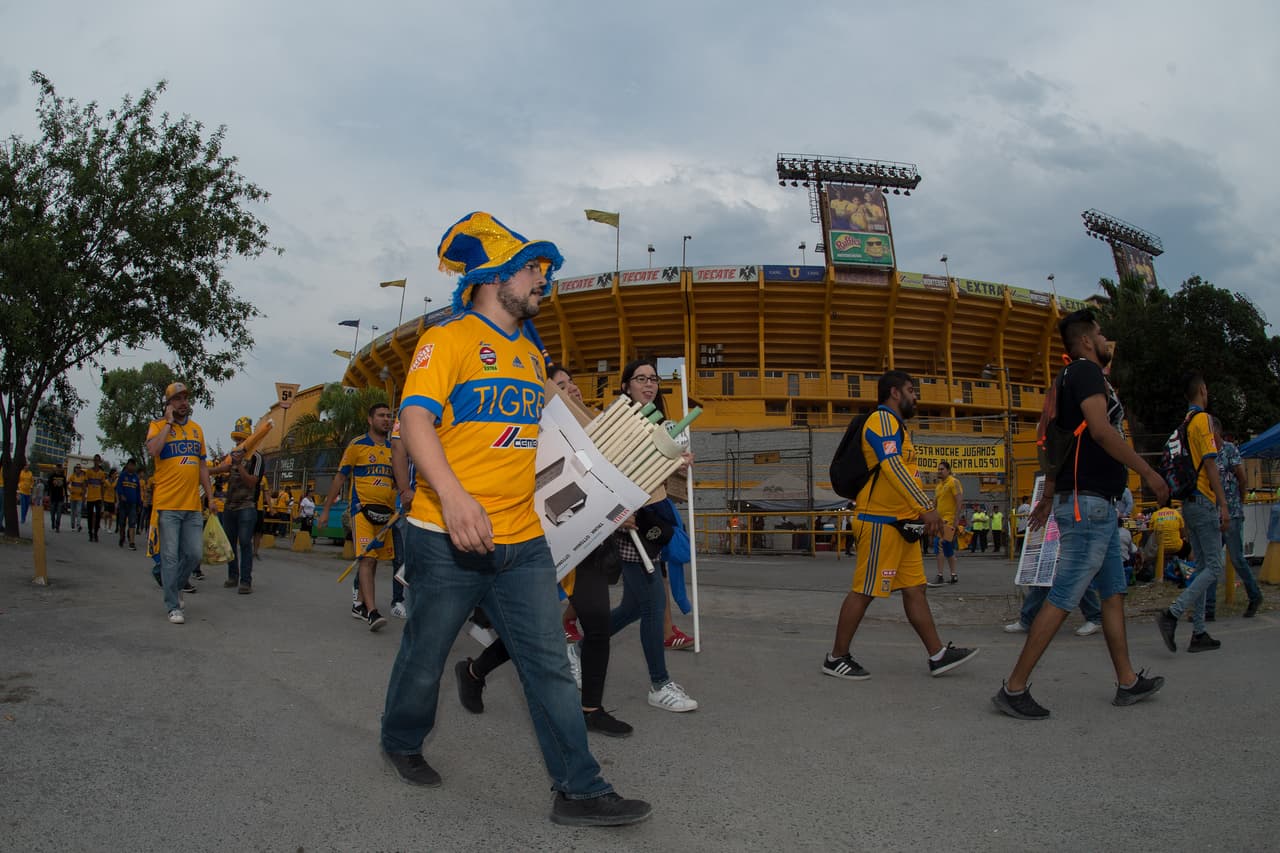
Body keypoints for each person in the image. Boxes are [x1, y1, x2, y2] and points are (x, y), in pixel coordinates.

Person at [379, 212, 650, 826]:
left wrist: (625, 481)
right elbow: (416, 421)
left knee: (549, 661)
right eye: (534, 268)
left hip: (521, 539)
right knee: (425, 654)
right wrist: (450, 495)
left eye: (546, 270)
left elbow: (567, 434)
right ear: (490, 274)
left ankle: (579, 790)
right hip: (443, 537)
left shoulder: (531, 351)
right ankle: (400, 739)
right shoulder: (444, 341)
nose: (544, 280)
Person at [993, 308, 1168, 719]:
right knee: (1065, 593)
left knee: (1112, 593)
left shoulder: (1073, 377)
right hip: (1089, 506)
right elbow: (1101, 431)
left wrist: (1050, 494)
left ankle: (1127, 680)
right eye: (1102, 333)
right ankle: (1014, 688)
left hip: (1094, 503)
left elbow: (1063, 444)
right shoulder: (1086, 372)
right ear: (1088, 340)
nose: (1108, 340)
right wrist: (1148, 472)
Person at [823, 370, 979, 681]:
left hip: (901, 524)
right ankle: (836, 657)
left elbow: (903, 473)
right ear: (895, 393)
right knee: (865, 591)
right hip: (878, 522)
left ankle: (937, 654)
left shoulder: (899, 427)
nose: (915, 396)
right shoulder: (881, 421)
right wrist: (926, 509)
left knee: (915, 589)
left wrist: (917, 512)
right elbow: (892, 467)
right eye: (911, 390)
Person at [607, 358, 699, 711]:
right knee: (653, 603)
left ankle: (581, 648)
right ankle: (659, 684)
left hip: (652, 520)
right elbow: (605, 464)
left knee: (634, 605)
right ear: (626, 385)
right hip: (629, 522)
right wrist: (617, 511)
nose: (648, 384)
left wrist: (679, 462)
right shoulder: (620, 420)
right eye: (640, 378)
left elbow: (659, 475)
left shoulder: (657, 424)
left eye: (653, 379)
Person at [1156, 372, 1232, 653]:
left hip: (1188, 503)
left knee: (1201, 567)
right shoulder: (1204, 421)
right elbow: (1211, 465)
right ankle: (1172, 614)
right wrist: (1223, 505)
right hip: (1203, 499)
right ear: (1202, 390)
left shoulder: (1184, 425)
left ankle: (1198, 633)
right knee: (1214, 566)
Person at [321, 402, 399, 631]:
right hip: (361, 511)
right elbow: (340, 478)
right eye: (381, 416)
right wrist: (325, 510)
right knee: (367, 559)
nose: (386, 419)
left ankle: (359, 603)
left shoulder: (394, 448)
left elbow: (397, 480)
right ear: (370, 419)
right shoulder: (357, 445)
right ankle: (372, 612)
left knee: (373, 561)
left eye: (389, 416)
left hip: (386, 516)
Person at [144, 382, 213, 625]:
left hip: (192, 505)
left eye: (185, 398)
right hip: (167, 505)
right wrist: (168, 423)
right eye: (177, 399)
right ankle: (173, 605)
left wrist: (211, 497)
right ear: (169, 404)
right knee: (170, 557)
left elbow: (203, 465)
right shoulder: (157, 426)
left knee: (194, 555)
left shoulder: (197, 430)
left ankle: (169, 580)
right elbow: (153, 450)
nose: (183, 402)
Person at [1206, 417, 1262, 618]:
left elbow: (1242, 477)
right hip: (1213, 512)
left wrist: (1240, 500)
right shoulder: (1207, 453)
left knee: (1237, 558)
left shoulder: (1229, 450)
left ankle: (1255, 595)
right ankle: (1209, 608)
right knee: (1212, 560)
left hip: (1232, 511)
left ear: (1217, 431)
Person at [220, 418, 265, 593]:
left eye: (242, 439)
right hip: (229, 506)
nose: (239, 443)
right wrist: (202, 469)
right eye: (237, 440)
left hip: (247, 506)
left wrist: (239, 465)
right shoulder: (231, 455)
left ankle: (245, 581)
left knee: (245, 542)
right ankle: (233, 576)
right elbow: (222, 470)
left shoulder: (257, 457)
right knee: (230, 544)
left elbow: (252, 482)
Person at [932, 461, 963, 585]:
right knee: (947, 547)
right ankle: (953, 575)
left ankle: (940, 576)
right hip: (940, 521)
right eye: (938, 469)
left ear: (949, 470)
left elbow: (959, 501)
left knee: (938, 544)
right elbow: (935, 504)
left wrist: (956, 520)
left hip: (949, 520)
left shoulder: (953, 482)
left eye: (942, 469)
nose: (939, 471)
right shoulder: (938, 486)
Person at [115, 459, 142, 550]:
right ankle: (122, 537)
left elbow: (138, 492)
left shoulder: (136, 478)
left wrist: (139, 504)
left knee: (132, 522)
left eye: (133, 465)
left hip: (133, 504)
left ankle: (132, 542)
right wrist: (121, 495)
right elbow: (119, 487)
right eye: (130, 465)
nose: (131, 467)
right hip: (123, 504)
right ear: (127, 466)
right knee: (122, 522)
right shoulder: (122, 476)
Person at [84, 455, 107, 542]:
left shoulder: (101, 473)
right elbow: (85, 483)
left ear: (100, 461)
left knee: (98, 516)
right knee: (90, 516)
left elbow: (102, 486)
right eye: (95, 460)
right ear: (93, 461)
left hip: (98, 497)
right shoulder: (89, 471)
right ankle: (90, 532)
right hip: (90, 497)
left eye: (98, 460)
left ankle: (96, 533)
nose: (96, 462)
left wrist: (102, 498)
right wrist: (84, 495)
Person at [47, 467, 66, 532]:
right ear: (55, 469)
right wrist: (49, 494)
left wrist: (66, 496)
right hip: (53, 497)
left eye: (60, 469)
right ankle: (53, 522)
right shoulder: (52, 476)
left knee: (59, 513)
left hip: (60, 497)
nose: (58, 470)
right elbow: (48, 485)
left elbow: (65, 486)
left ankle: (57, 526)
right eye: (57, 469)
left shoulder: (63, 477)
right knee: (52, 512)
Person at [67, 464, 86, 532]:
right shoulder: (72, 476)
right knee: (72, 512)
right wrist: (70, 490)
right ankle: (72, 525)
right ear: (75, 469)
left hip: (79, 497)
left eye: (79, 468)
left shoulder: (82, 477)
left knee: (79, 511)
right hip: (73, 496)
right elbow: (67, 483)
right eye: (77, 468)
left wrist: (83, 493)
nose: (78, 469)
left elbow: (84, 487)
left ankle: (78, 525)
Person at [102, 467, 117, 534]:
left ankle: (109, 527)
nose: (115, 475)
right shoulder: (106, 481)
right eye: (114, 474)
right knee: (106, 513)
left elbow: (116, 491)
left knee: (111, 515)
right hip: (106, 498)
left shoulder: (116, 482)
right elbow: (103, 489)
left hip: (112, 499)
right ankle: (105, 524)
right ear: (111, 474)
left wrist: (116, 499)